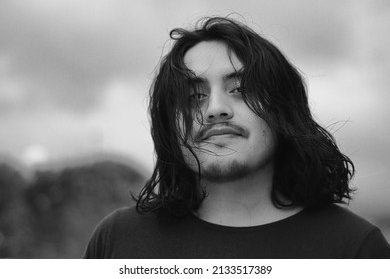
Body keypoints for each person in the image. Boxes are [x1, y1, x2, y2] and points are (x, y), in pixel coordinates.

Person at [83, 16, 390, 258]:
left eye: (240, 90)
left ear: (284, 108)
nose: (216, 109)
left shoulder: (354, 250)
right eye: (193, 97)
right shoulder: (117, 241)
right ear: (168, 125)